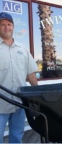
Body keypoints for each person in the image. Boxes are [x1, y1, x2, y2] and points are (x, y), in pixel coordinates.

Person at [0, 12, 38, 143]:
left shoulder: (23, 49)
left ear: (13, 26)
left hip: (19, 102)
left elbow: (31, 74)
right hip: (0, 104)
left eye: (9, 24)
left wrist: (38, 94)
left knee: (17, 136)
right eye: (3, 24)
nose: (6, 27)